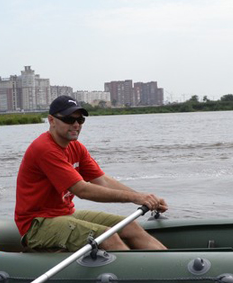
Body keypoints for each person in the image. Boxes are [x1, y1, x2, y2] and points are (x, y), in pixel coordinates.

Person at [15, 95, 168, 252]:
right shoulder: (45, 149)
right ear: (51, 120)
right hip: (37, 224)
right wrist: (135, 198)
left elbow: (102, 180)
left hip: (65, 214)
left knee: (130, 227)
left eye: (80, 120)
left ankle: (171, 266)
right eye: (69, 119)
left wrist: (145, 199)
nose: (76, 125)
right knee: (108, 236)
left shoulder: (76, 147)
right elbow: (82, 190)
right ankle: (139, 274)